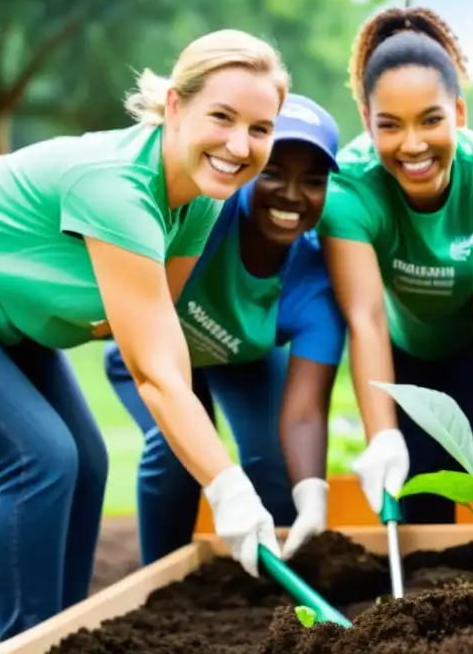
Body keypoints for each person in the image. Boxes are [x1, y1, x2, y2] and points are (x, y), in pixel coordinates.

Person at [0, 29, 291, 639]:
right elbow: (154, 373)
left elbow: (157, 323)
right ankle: (25, 640)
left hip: (9, 316)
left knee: (87, 461)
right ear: (174, 106)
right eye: (220, 117)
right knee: (42, 458)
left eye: (259, 128)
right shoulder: (115, 185)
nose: (238, 144)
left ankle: (60, 633)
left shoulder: (202, 196)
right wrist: (227, 483)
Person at [316, 5, 473, 524]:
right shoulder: (348, 188)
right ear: (368, 123)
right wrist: (383, 435)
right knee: (420, 520)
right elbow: (366, 318)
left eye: (431, 120)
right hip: (404, 359)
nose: (413, 144)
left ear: (459, 115)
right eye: (390, 126)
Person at [102, 93, 347, 567]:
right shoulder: (207, 215)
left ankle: (272, 582)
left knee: (275, 460)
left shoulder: (315, 281)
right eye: (273, 172)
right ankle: (162, 582)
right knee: (176, 452)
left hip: (241, 360)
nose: (293, 194)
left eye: (313, 181)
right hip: (155, 353)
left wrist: (312, 498)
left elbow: (303, 414)